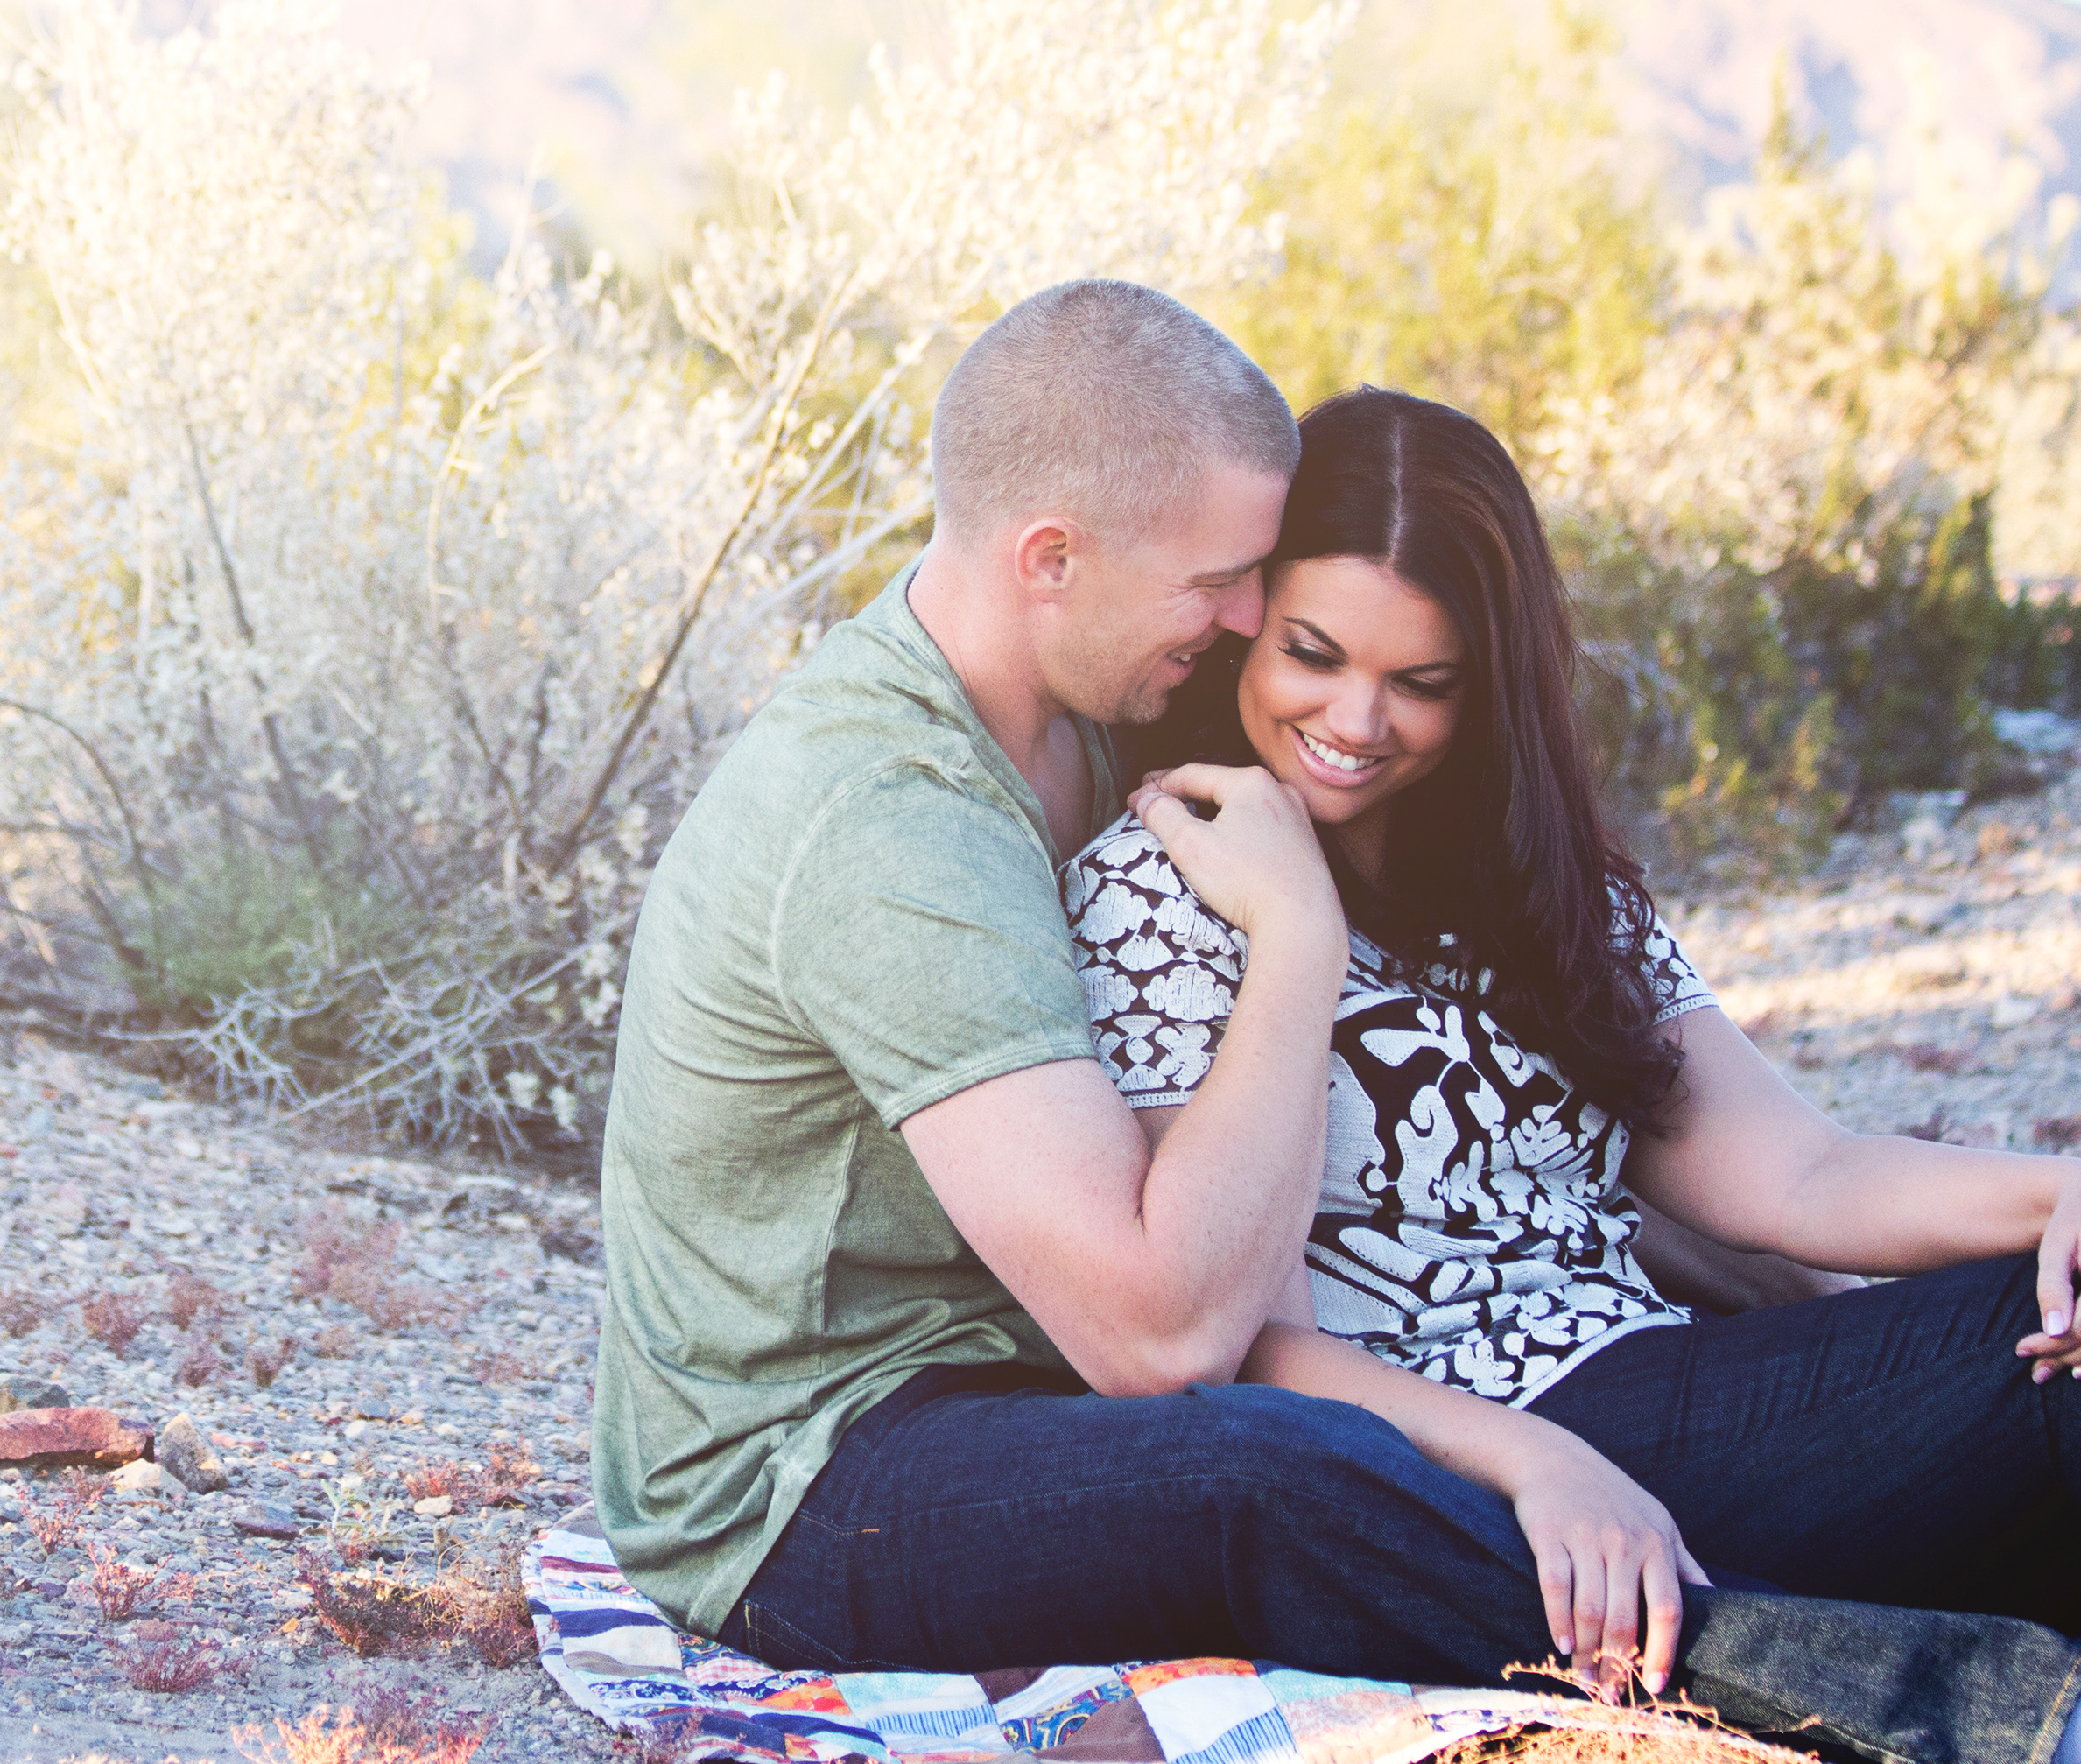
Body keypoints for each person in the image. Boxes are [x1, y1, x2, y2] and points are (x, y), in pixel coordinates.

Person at [594, 281, 2081, 1764]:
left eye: (1407, 672)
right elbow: (1172, 1336)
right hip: (819, 1472)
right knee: (1275, 1472)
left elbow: (1770, 1170)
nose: (1250, 623)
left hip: (1057, 1381)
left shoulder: (1099, 713)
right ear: (1053, 560)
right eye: (1229, 590)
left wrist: (2001, 1211)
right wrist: (1299, 935)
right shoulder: (897, 825)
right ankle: (1976, 1714)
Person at [1066, 384, 2081, 1665]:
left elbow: (1804, 1175)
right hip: (1477, 1466)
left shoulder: (1543, 884)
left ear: (1489, 685)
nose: (1357, 724)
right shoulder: (1161, 885)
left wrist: (2056, 1192)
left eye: (1422, 682)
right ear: (1243, 626)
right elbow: (1243, 1341)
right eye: (1313, 656)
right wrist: (1539, 1462)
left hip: (1669, 1391)